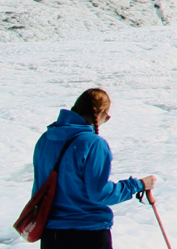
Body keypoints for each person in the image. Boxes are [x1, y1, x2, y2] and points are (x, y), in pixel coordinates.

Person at [29, 88, 156, 249]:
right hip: (88, 233)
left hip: (51, 233)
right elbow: (100, 193)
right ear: (101, 113)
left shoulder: (46, 139)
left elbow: (40, 189)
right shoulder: (93, 143)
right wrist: (138, 185)